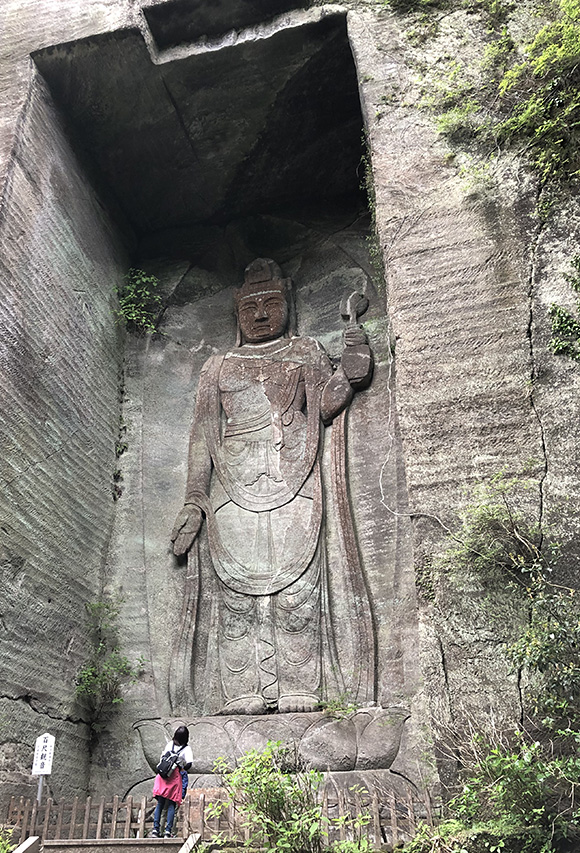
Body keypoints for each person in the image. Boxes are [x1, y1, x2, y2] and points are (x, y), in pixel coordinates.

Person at [169, 258, 375, 716]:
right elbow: (203, 436)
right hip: (232, 488)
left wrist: (351, 367)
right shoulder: (218, 366)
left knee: (298, 589)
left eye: (271, 304)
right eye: (251, 307)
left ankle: (302, 688)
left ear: (289, 306)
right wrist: (193, 499)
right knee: (236, 595)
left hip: (293, 479)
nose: (261, 315)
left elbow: (324, 408)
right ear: (238, 315)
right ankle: (242, 694)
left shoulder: (304, 352)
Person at [150, 725, 193, 838]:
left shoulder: (170, 744)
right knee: (171, 804)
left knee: (160, 803)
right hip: (174, 778)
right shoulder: (186, 749)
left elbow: (162, 758)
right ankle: (167, 832)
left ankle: (155, 830)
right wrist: (181, 767)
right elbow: (189, 764)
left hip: (162, 777)